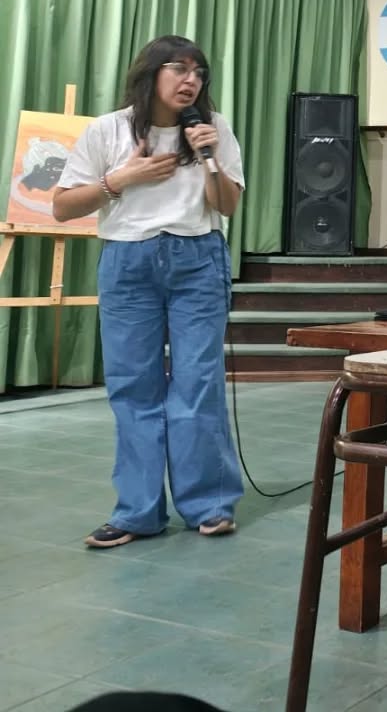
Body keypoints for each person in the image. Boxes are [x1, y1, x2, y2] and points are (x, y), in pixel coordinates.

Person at [53, 35, 245, 548]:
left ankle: (208, 505)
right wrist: (124, 178)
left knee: (197, 383)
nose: (190, 81)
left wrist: (208, 158)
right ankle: (138, 512)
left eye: (199, 72)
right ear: (150, 73)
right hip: (128, 262)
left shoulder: (213, 129)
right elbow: (63, 206)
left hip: (197, 259)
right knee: (132, 387)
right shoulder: (107, 130)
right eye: (178, 69)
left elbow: (227, 206)